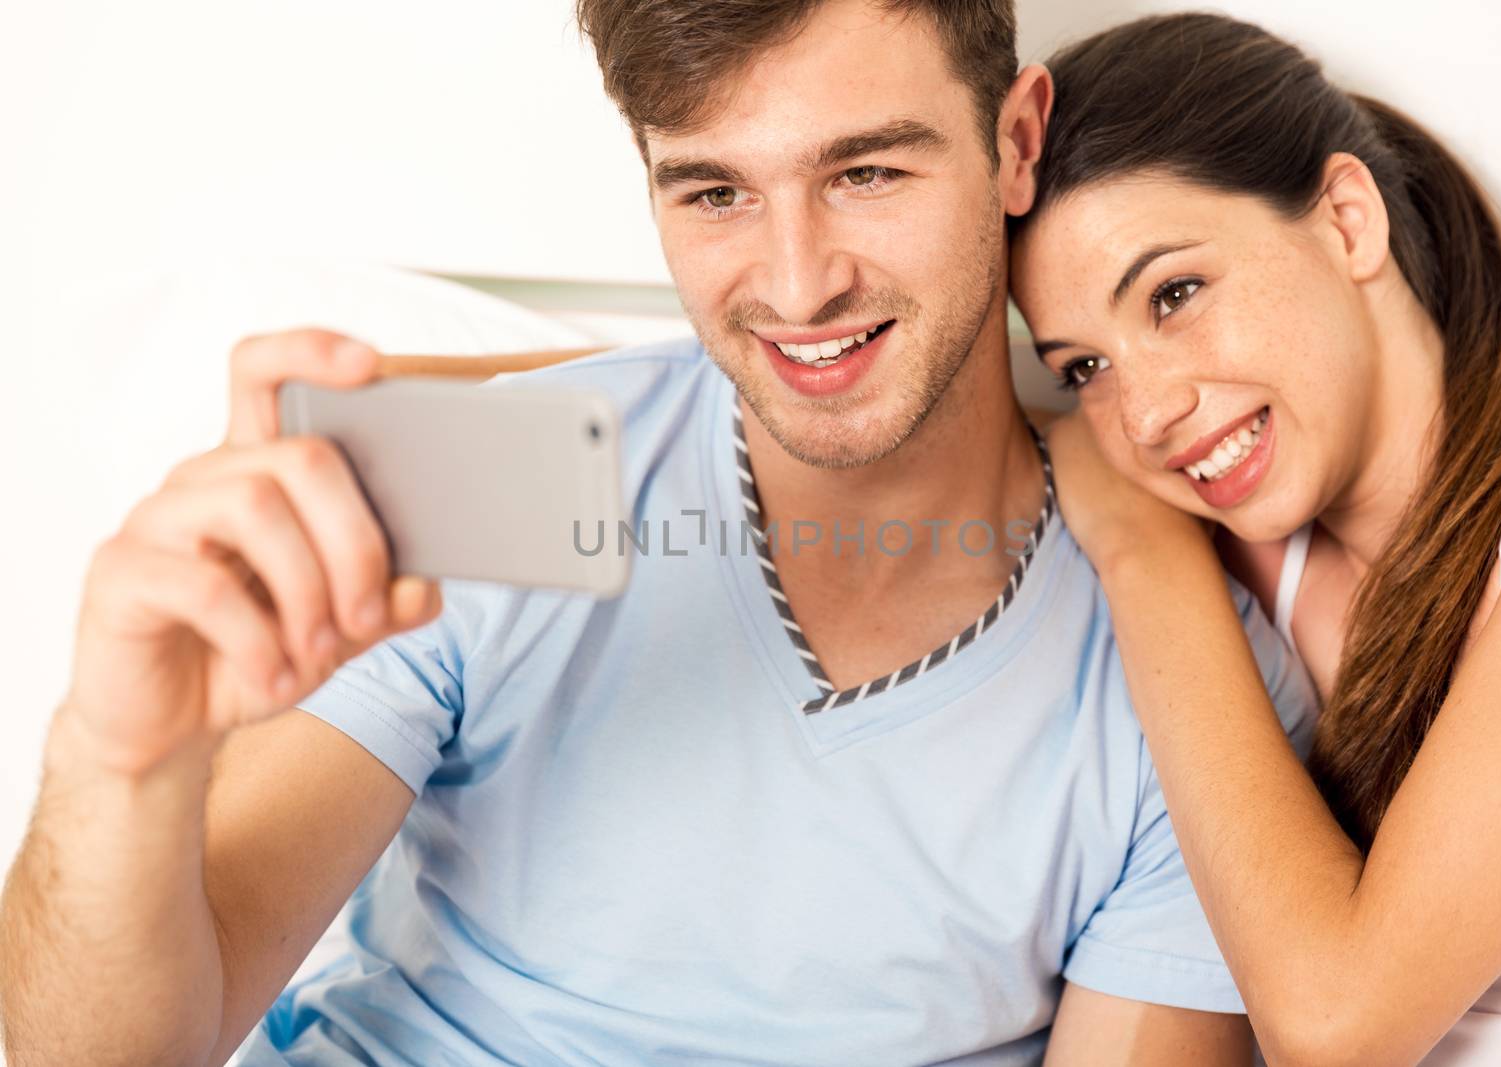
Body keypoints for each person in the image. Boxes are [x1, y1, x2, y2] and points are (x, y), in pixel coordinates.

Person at [0, 3, 1317, 1065]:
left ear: (1015, 139)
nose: (799, 282)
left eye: (865, 173)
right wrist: (120, 754)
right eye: (714, 195)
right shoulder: (481, 489)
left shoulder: (1186, 682)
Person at [1007, 12, 1501, 1067]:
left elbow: (1336, 1025)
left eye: (1174, 294)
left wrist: (1146, 552)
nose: (1145, 415)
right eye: (1083, 367)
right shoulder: (1251, 539)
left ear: (1345, 218)